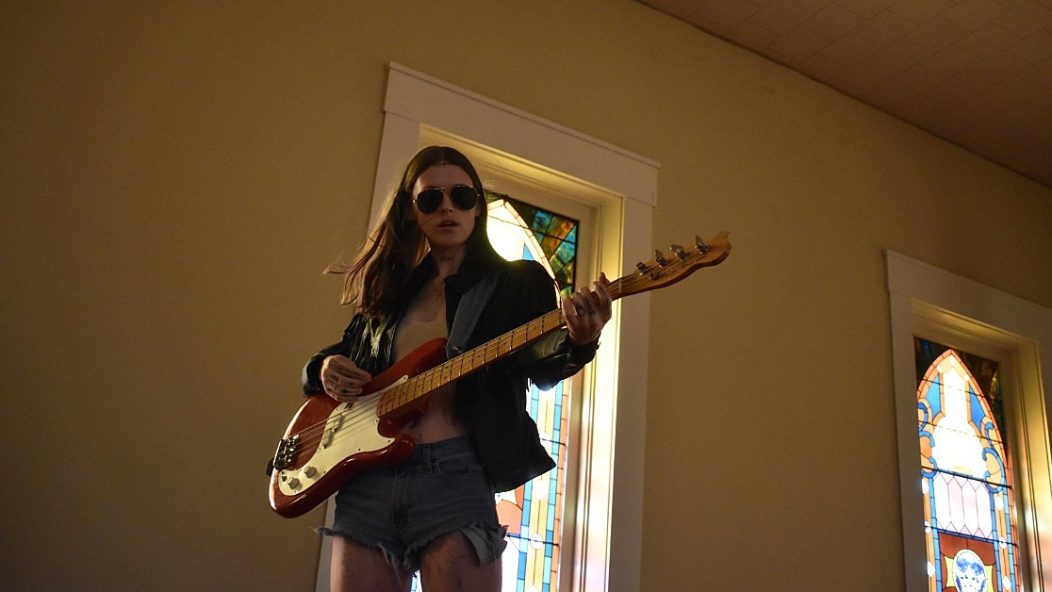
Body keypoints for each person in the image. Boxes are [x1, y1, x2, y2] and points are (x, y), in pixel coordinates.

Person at [301, 145, 612, 592]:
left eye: (461, 196)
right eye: (431, 199)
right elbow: (346, 356)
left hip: (456, 473)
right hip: (368, 479)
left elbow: (543, 364)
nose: (448, 207)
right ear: (411, 212)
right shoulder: (389, 293)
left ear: (478, 206)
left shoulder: (516, 283)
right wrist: (323, 366)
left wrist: (580, 340)